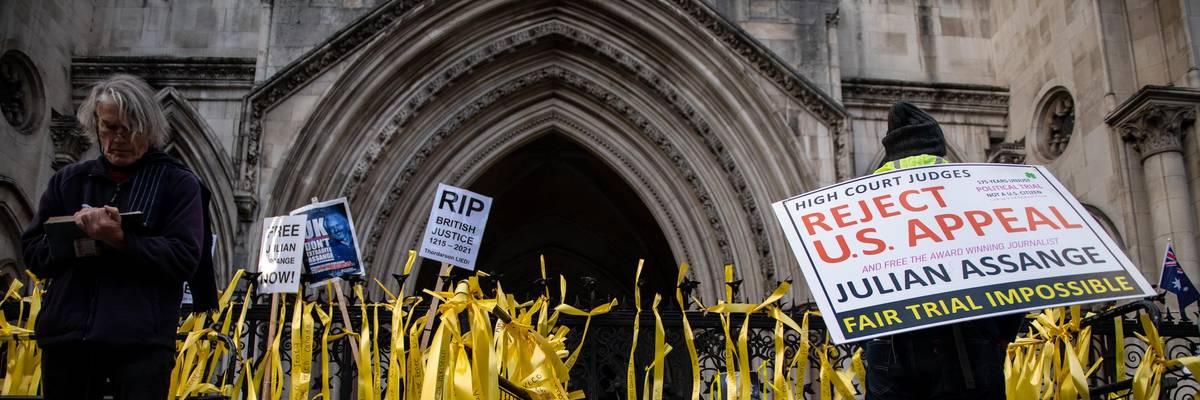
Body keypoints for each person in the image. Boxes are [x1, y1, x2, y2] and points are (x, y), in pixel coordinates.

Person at [20, 74, 210, 399]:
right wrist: (80, 237)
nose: (117, 138)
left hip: (140, 346)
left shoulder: (178, 184)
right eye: (108, 127)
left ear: (149, 129)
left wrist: (121, 239)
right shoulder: (69, 181)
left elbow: (183, 258)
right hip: (69, 342)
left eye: (128, 129)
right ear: (95, 123)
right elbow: (34, 253)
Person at [864, 101, 1026, 400]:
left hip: (889, 344)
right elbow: (1009, 261)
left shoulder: (860, 203)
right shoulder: (972, 190)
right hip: (966, 338)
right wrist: (1002, 332)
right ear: (937, 147)